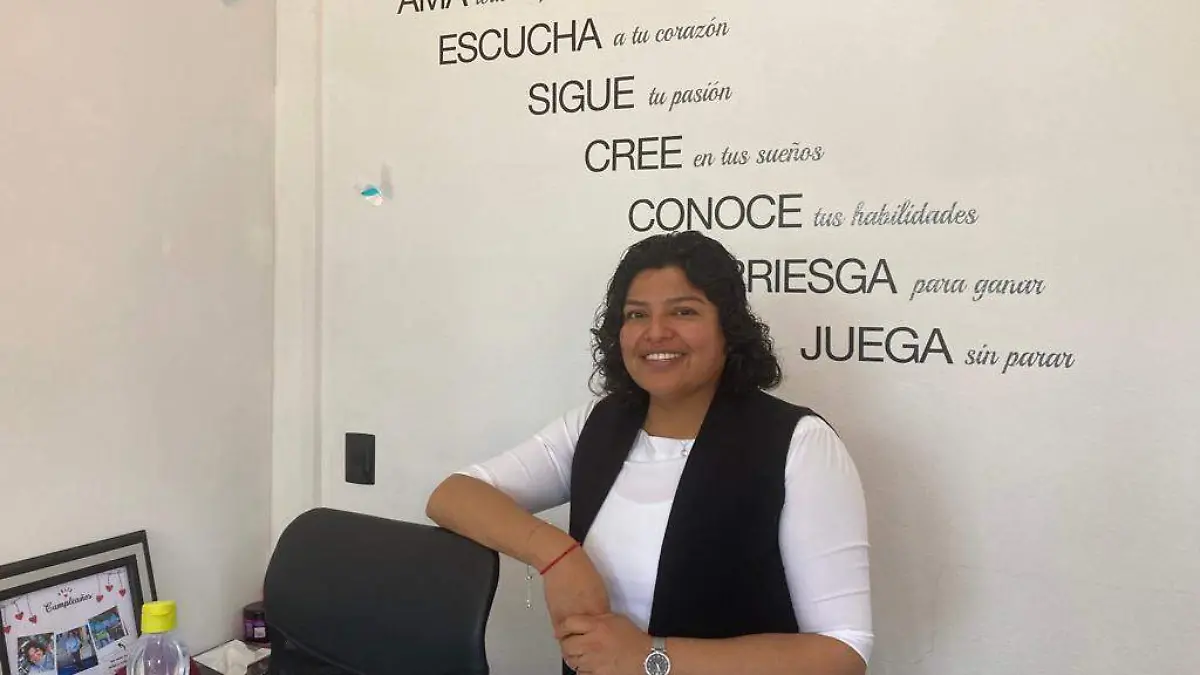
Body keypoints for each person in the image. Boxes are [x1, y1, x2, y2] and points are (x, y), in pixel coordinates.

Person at [426, 231, 872, 675]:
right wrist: (557, 556)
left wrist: (649, 656)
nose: (656, 332)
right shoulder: (596, 425)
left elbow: (843, 651)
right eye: (637, 314)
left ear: (728, 329)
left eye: (684, 311)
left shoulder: (798, 443)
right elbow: (453, 496)